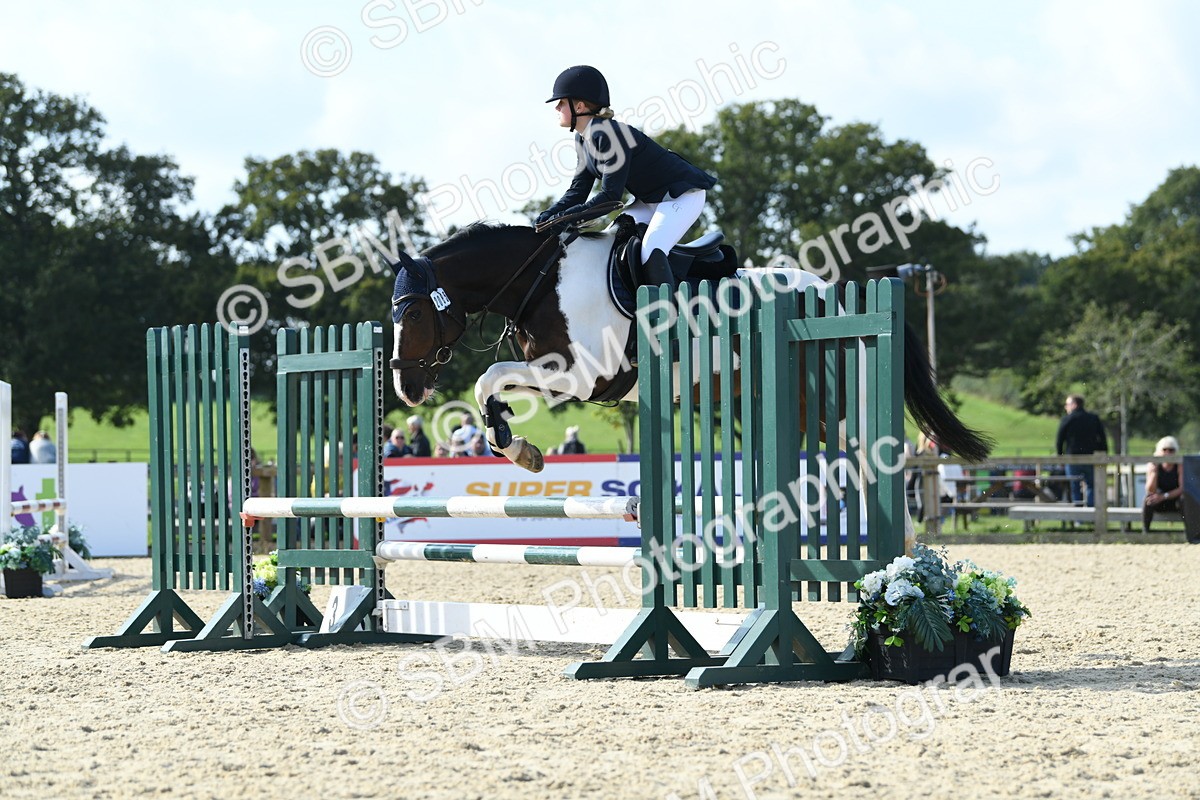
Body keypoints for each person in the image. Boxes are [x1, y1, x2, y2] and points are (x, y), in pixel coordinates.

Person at [535, 65, 717, 290]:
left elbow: (610, 197)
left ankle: (670, 317)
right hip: (649, 200)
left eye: (561, 102)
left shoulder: (610, 135)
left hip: (680, 197)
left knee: (651, 250)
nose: (557, 107)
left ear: (579, 106)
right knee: (611, 242)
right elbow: (578, 191)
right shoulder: (583, 140)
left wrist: (563, 220)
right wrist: (549, 216)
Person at [1055, 394, 1108, 506]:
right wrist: (1103, 455)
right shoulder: (1093, 418)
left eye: (1067, 404)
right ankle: (1091, 512)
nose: (1066, 407)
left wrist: (1060, 457)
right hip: (1091, 458)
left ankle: (1078, 516)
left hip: (1072, 458)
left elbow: (1059, 441)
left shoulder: (1067, 419)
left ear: (1074, 405)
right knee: (1092, 485)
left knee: (1075, 486)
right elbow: (1102, 439)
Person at [1142, 436, 1184, 534]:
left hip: (1175, 501)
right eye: (1164, 450)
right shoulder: (1153, 465)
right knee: (1148, 499)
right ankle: (1145, 532)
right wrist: (1154, 472)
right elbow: (1150, 490)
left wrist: (1163, 496)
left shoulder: (1179, 465)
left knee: (1185, 499)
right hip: (1159, 501)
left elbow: (1182, 488)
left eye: (1171, 450)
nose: (1168, 453)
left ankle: (1191, 533)